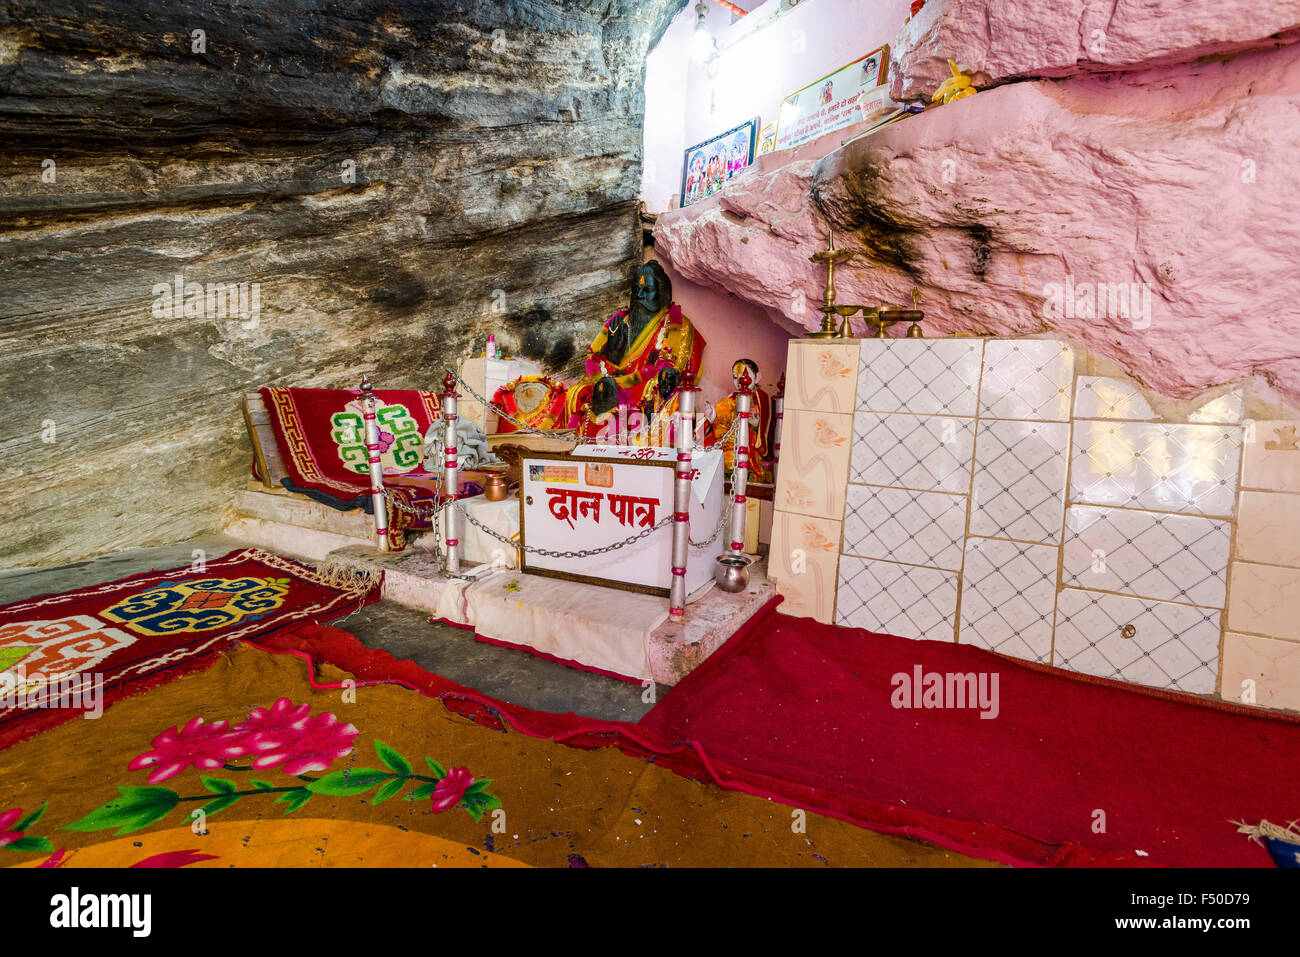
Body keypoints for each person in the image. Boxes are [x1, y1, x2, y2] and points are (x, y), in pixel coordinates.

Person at [563, 261, 705, 440]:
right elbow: (594, 358)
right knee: (577, 392)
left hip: (645, 385)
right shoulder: (619, 321)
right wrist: (613, 357)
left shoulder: (678, 325)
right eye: (636, 289)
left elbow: (672, 368)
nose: (639, 296)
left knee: (653, 391)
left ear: (663, 295)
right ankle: (578, 447)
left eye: (647, 290)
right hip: (611, 382)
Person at [705, 358, 774, 481]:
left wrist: (755, 424)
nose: (741, 381)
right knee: (706, 446)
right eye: (736, 377)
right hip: (728, 437)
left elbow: (764, 423)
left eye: (745, 376)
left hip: (749, 438)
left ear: (757, 378)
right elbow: (722, 411)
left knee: (742, 447)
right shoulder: (733, 397)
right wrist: (713, 415)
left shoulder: (761, 398)